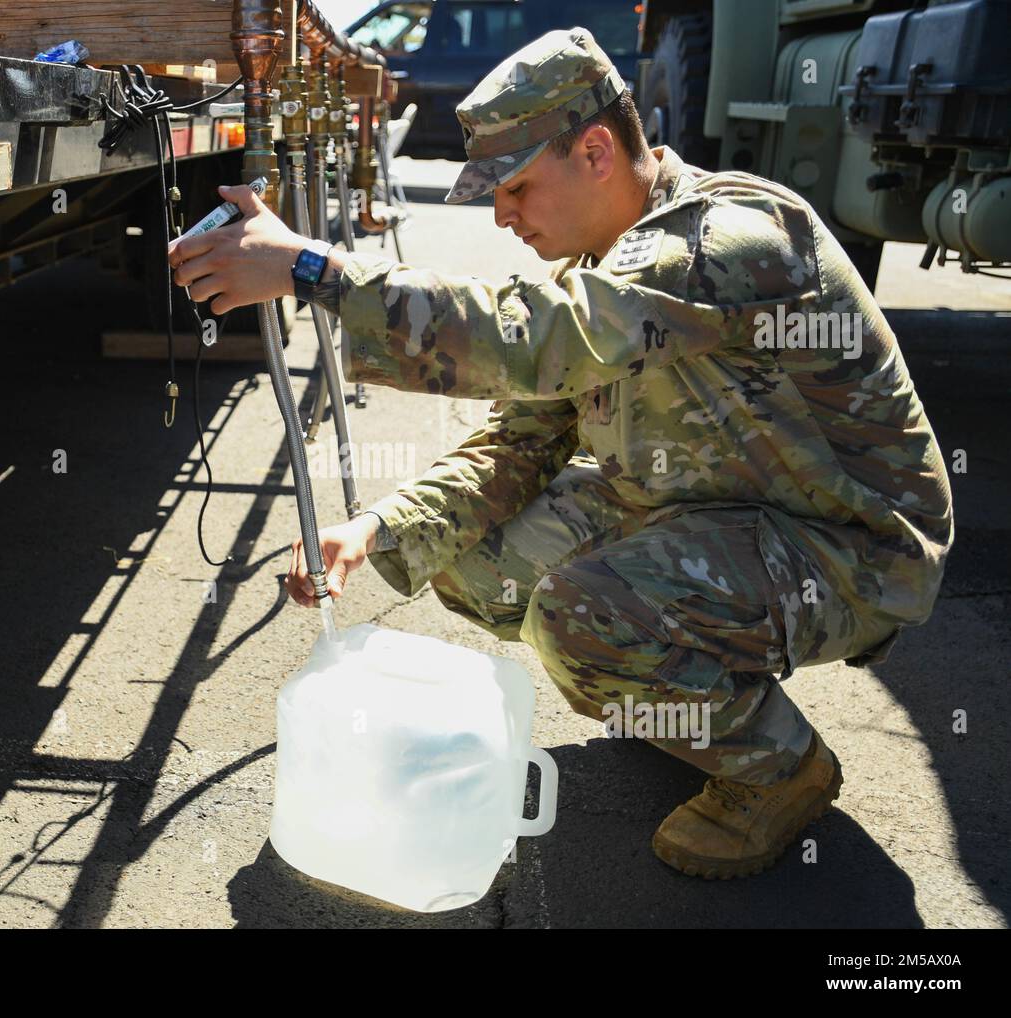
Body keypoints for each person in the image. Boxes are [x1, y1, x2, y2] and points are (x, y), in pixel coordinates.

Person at [167, 27, 953, 879]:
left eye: (517, 188)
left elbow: (534, 337)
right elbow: (524, 433)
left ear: (595, 151)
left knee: (580, 616)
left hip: (849, 550)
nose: (502, 217)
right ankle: (681, 692)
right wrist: (381, 529)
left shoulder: (724, 240)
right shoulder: (608, 258)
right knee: (473, 563)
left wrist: (314, 269)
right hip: (722, 503)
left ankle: (776, 767)